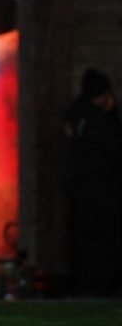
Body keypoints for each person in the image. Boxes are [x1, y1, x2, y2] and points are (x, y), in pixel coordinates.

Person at [64, 68, 122, 297]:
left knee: (84, 241)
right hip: (100, 189)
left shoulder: (75, 113)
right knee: (104, 241)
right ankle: (102, 287)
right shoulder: (98, 120)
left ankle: (86, 285)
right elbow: (114, 149)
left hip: (80, 188)